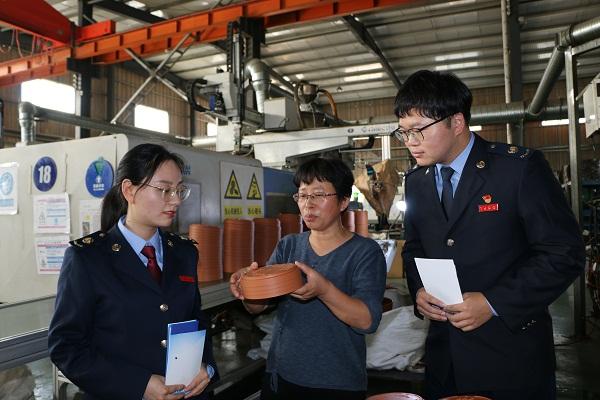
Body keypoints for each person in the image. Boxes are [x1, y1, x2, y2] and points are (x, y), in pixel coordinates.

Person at [397, 70, 585, 400]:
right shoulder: (416, 182)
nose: (410, 141)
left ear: (456, 122)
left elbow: (564, 253)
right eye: (403, 132)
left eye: (418, 130)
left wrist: (493, 302)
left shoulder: (517, 169)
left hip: (510, 358)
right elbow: (413, 248)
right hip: (444, 360)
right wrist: (419, 291)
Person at [48, 143, 218, 400]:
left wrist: (206, 366)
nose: (175, 200)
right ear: (129, 190)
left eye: (179, 190)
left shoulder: (183, 253)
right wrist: (139, 385)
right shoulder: (89, 258)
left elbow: (196, 320)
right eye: (164, 190)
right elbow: (66, 346)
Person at [230, 157, 387, 400]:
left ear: (344, 201)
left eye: (319, 195)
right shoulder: (289, 246)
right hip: (281, 376)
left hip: (336, 384)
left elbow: (367, 320)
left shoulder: (364, 252)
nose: (308, 204)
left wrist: (324, 290)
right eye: (302, 195)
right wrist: (248, 287)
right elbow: (257, 307)